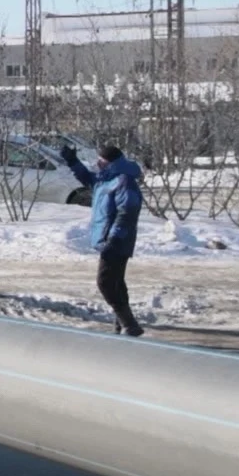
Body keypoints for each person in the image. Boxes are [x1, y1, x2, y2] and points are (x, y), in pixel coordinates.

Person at [63, 143, 147, 336]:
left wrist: (115, 237)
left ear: (109, 162)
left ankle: (129, 324)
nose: (97, 163)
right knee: (116, 281)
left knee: (105, 282)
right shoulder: (107, 178)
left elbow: (128, 212)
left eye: (100, 160)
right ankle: (123, 324)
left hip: (118, 239)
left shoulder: (123, 180)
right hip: (109, 239)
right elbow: (88, 179)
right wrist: (72, 161)